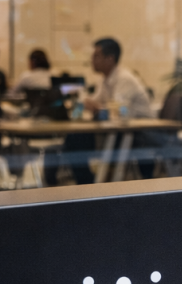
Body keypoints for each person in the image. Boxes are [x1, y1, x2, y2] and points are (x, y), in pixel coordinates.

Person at [46, 37, 155, 185]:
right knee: (74, 139)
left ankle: (86, 185)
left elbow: (116, 110)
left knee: (76, 140)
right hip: (120, 132)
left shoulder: (125, 79)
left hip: (141, 135)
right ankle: (86, 185)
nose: (92, 60)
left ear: (110, 59)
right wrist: (88, 103)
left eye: (96, 56)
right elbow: (94, 103)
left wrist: (94, 106)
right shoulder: (105, 80)